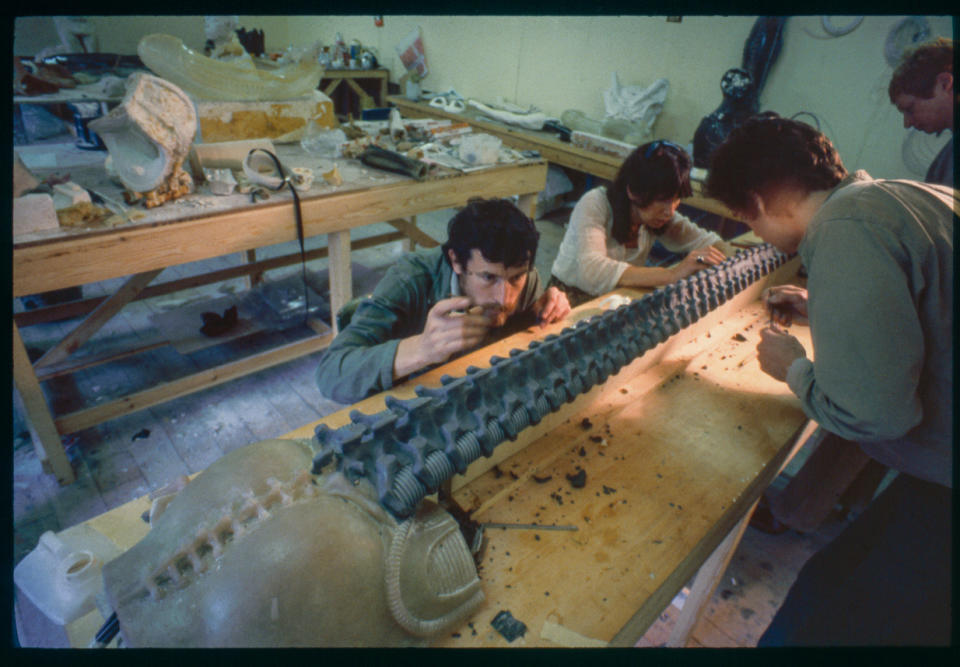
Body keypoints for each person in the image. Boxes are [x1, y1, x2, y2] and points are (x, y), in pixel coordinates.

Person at [705, 113, 954, 645]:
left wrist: (793, 368)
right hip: (939, 476)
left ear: (761, 200)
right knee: (830, 581)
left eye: (748, 220)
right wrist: (827, 305)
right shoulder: (894, 197)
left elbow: (876, 413)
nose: (756, 234)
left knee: (826, 626)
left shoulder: (844, 230)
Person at [315, 198, 570, 404]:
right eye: (488, 277)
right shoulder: (410, 279)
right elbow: (329, 375)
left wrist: (542, 312)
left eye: (516, 278)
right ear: (456, 261)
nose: (504, 298)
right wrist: (421, 350)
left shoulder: (525, 277)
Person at [548, 140, 733, 307]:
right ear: (634, 191)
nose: (670, 211)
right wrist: (671, 274)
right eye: (663, 200)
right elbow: (592, 270)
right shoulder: (595, 202)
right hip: (564, 303)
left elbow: (707, 241)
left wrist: (725, 260)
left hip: (613, 299)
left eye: (676, 200)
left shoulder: (659, 216)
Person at [889, 37, 955, 187]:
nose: (907, 124)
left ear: (944, 84)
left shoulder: (944, 165)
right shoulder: (941, 165)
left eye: (910, 109)